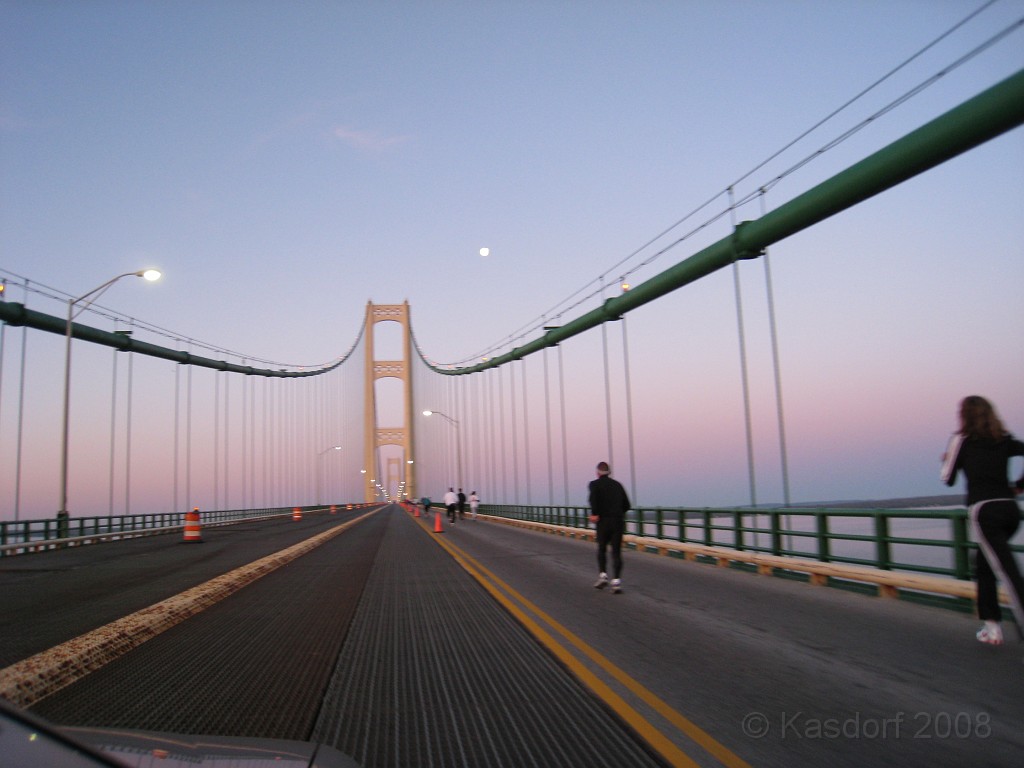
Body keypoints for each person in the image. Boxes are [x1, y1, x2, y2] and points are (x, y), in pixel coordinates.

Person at [941, 395, 1024, 645]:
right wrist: (1019, 486)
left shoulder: (961, 440)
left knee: (1008, 573)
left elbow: (947, 479)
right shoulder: (1003, 438)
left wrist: (946, 460)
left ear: (964, 415)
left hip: (985, 512)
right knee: (984, 564)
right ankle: (991, 627)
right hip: (1010, 510)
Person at [588, 461, 631, 593]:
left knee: (602, 548)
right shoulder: (618, 485)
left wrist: (595, 514)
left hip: (603, 521)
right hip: (617, 521)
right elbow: (627, 505)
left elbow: (593, 500)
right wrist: (618, 514)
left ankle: (603, 576)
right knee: (616, 552)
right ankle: (616, 582)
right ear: (609, 472)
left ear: (597, 473)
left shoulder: (594, 484)